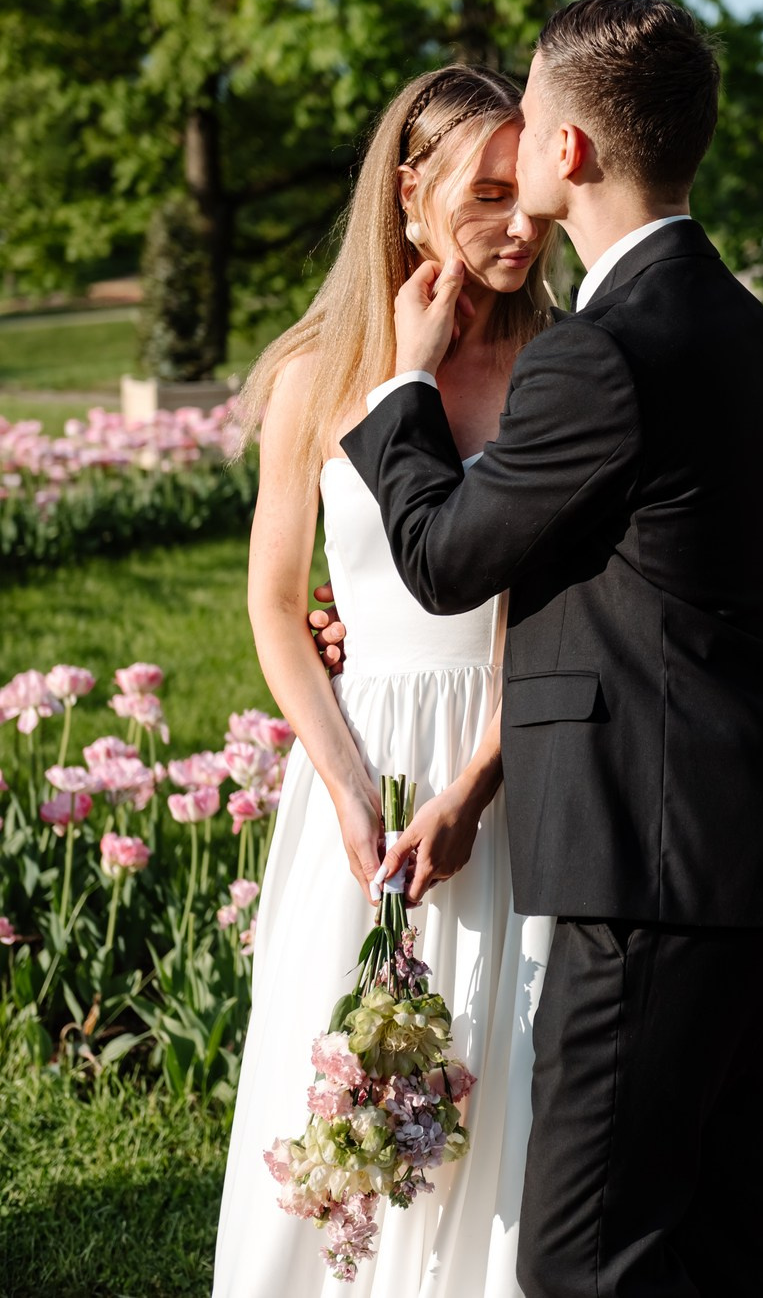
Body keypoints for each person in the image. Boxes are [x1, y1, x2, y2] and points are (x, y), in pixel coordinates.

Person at [340, 0, 763, 1298]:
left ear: (566, 151)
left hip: (649, 862)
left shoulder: (602, 354)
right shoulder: (741, 326)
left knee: (581, 1256)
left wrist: (407, 380)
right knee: (727, 1235)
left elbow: (446, 559)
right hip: (746, 849)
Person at [211, 65, 558, 1297]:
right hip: (354, 768)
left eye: (537, 193)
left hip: (504, 763)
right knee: (334, 1064)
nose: (524, 223)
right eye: (489, 193)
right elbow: (274, 603)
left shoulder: (558, 371)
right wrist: (350, 789)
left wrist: (475, 781)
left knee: (494, 1066)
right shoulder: (314, 372)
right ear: (412, 194)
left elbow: (553, 611)